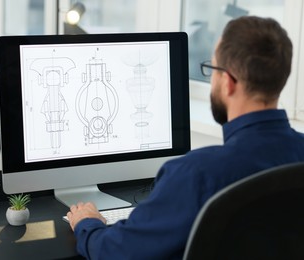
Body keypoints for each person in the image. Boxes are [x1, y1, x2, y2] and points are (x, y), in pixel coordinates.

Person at [66, 16, 304, 259]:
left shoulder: (194, 175)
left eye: (213, 70)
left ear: (228, 83)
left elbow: (115, 252)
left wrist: (88, 223)